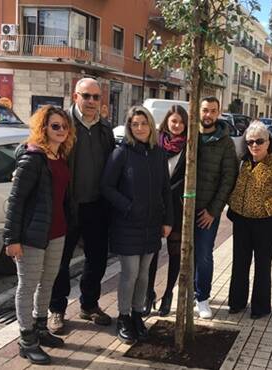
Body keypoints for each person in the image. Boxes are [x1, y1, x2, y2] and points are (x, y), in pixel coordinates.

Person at [3, 105, 74, 364]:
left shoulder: (60, 157)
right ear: (43, 127)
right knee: (28, 286)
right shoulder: (33, 158)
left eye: (65, 126)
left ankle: (41, 328)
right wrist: (12, 239)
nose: (61, 131)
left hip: (57, 232)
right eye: (55, 126)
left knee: (48, 282)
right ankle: (26, 339)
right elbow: (16, 200)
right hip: (32, 235)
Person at [48, 78, 116, 334]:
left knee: (97, 260)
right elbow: (37, 147)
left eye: (95, 97)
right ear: (75, 96)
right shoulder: (62, 124)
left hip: (97, 207)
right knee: (60, 262)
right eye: (86, 96)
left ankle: (89, 304)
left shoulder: (105, 130)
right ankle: (57, 309)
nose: (90, 102)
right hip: (67, 206)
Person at [101, 106, 173, 344]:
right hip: (127, 224)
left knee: (144, 275)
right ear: (129, 128)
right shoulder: (121, 153)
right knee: (130, 273)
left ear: (151, 126)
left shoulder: (159, 154)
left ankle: (136, 314)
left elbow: (166, 190)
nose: (140, 128)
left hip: (152, 225)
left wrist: (168, 220)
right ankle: (123, 317)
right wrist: (129, 207)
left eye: (143, 123)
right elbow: (107, 187)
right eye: (135, 124)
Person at [227, 121, 272, 319]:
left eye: (259, 141)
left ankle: (260, 307)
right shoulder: (243, 162)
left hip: (266, 223)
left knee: (262, 265)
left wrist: (266, 207)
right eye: (250, 142)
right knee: (240, 263)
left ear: (268, 142)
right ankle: (237, 302)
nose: (254, 145)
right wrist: (234, 204)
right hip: (242, 221)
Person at [194, 96, 238, 319]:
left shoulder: (225, 142)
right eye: (204, 110)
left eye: (212, 110)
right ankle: (182, 295)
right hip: (184, 208)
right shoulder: (189, 136)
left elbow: (228, 178)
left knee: (203, 255)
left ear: (218, 113)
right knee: (180, 254)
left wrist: (214, 210)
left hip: (206, 212)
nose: (208, 115)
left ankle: (202, 298)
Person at [144, 105, 188, 317]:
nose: (177, 125)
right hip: (155, 204)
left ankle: (169, 294)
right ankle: (148, 293)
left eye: (181, 122)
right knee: (152, 252)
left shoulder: (190, 145)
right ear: (167, 122)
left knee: (174, 252)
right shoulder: (155, 143)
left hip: (178, 206)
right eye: (174, 121)